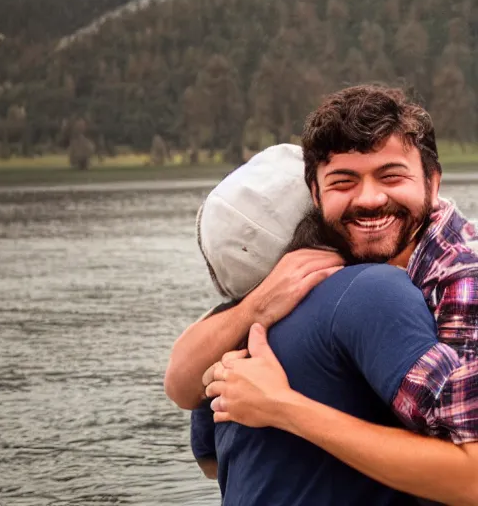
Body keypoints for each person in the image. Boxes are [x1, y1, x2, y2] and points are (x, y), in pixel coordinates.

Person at [164, 85, 478, 504]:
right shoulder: (294, 295)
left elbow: (472, 477)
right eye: (343, 182)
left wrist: (282, 407)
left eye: (391, 175)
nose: (369, 198)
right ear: (315, 196)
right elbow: (181, 384)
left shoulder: (457, 278)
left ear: (432, 182)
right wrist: (258, 305)